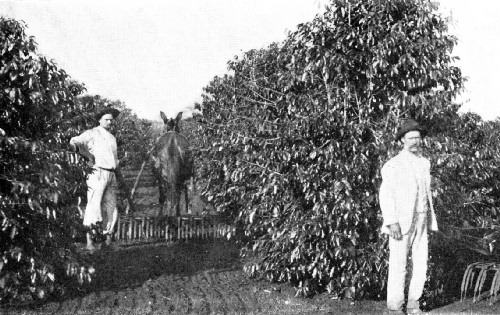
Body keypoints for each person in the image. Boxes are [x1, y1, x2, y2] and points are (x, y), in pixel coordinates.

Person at [379, 119, 439, 314]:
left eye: (417, 138)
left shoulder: (424, 163)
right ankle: (396, 306)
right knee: (399, 263)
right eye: (410, 138)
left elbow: (425, 192)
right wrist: (391, 221)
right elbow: (385, 194)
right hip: (401, 221)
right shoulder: (393, 164)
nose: (415, 141)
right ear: (402, 141)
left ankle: (414, 303)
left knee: (420, 262)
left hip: (422, 217)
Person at [70, 108, 120, 251]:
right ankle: (89, 241)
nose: (109, 122)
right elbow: (75, 142)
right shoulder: (91, 133)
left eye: (111, 119)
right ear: (99, 120)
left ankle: (107, 239)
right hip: (97, 173)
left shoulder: (112, 138)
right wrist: (85, 155)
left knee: (111, 207)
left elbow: (115, 159)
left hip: (111, 174)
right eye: (106, 119)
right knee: (94, 205)